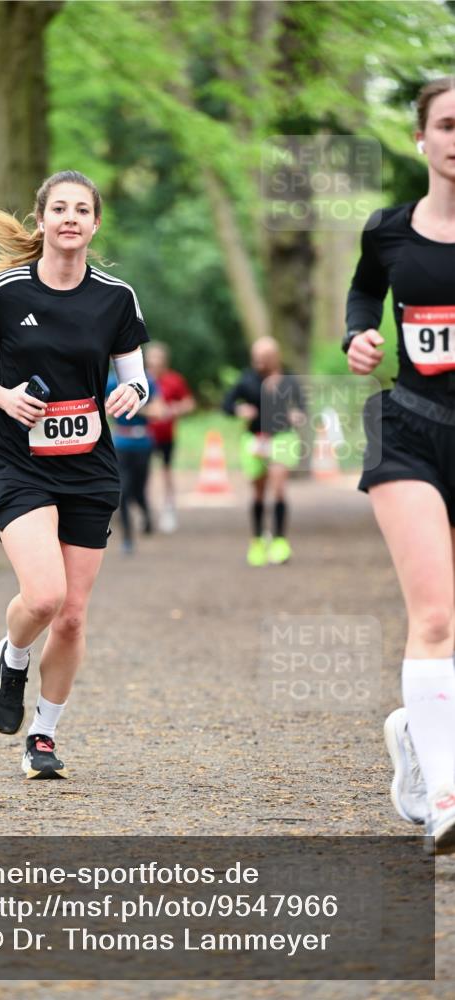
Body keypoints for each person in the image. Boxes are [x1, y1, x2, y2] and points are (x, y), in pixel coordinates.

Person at [0, 170, 150, 779]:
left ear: (94, 224)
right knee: (45, 596)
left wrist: (133, 390)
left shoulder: (116, 297)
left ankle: (44, 734)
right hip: (19, 463)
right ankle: (12, 657)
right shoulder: (6, 292)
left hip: (90, 467)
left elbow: (134, 372)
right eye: (59, 208)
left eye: (82, 210)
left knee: (75, 615)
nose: (70, 218)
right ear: (41, 220)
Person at [344, 77, 455, 851]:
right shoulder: (387, 231)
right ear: (420, 139)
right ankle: (447, 796)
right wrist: (358, 337)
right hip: (407, 428)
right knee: (436, 616)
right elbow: (361, 294)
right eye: (447, 125)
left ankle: (417, 738)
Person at [222, 337, 305, 567]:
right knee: (258, 492)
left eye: (264, 358)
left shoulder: (288, 379)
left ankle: (280, 541)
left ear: (275, 357)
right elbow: (227, 404)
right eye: (256, 357)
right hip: (255, 439)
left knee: (278, 488)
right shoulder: (247, 379)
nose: (259, 362)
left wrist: (297, 415)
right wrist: (240, 409)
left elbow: (302, 406)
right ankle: (257, 540)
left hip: (282, 437)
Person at [106, 362, 161, 554]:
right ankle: (127, 538)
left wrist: (133, 405)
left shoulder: (146, 381)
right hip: (121, 443)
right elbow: (103, 409)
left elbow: (158, 411)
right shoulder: (110, 381)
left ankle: (146, 518)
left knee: (139, 490)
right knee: (124, 492)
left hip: (144, 443)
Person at [145, 342, 195, 533]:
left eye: (159, 357)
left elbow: (189, 403)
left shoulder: (174, 380)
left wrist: (174, 409)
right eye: (152, 357)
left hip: (166, 435)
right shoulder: (140, 379)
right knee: (144, 475)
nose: (155, 361)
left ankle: (169, 510)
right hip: (144, 436)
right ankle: (147, 510)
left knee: (166, 473)